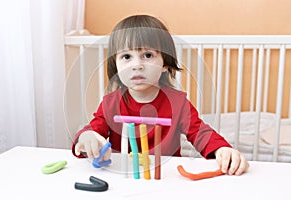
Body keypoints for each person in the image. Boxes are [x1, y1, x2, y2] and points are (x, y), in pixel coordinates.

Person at [72, 14, 249, 176]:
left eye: (147, 55)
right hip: (123, 177)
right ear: (116, 66)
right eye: (126, 57)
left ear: (165, 63)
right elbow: (93, 130)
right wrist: (86, 138)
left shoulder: (177, 103)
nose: (137, 65)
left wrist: (221, 149)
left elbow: (200, 132)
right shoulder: (110, 103)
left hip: (166, 177)